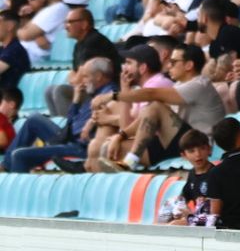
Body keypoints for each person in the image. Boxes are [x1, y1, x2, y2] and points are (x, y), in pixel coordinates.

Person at [89, 42, 224, 171]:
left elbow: (151, 94)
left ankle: (131, 162)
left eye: (173, 62)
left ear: (189, 65)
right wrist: (121, 136)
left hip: (198, 146)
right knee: (108, 148)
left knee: (155, 105)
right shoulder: (178, 86)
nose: (168, 66)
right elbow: (146, 117)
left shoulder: (199, 85)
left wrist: (111, 96)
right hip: (177, 142)